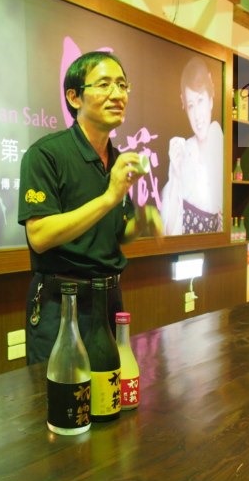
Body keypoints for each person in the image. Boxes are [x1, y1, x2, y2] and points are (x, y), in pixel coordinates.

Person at [18, 51, 162, 364]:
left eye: (122, 85)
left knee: (110, 389)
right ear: (74, 97)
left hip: (109, 299)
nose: (118, 94)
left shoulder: (117, 158)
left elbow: (115, 233)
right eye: (105, 84)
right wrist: (110, 196)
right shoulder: (46, 154)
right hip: (61, 304)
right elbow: (39, 236)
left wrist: (141, 221)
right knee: (60, 393)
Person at [160, 56, 224, 235]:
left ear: (211, 99)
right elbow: (169, 231)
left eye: (200, 100)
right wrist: (176, 173)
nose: (197, 115)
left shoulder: (220, 144)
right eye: (190, 105)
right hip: (185, 249)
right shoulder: (183, 151)